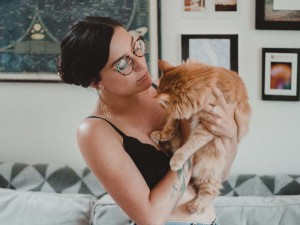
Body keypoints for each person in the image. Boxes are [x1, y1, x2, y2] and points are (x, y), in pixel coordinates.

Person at [57, 16, 238, 225]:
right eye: (123, 64)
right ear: (95, 82)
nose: (141, 65)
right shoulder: (95, 131)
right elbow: (150, 217)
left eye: (137, 48)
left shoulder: (167, 89)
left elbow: (218, 174)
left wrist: (229, 134)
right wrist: (189, 143)